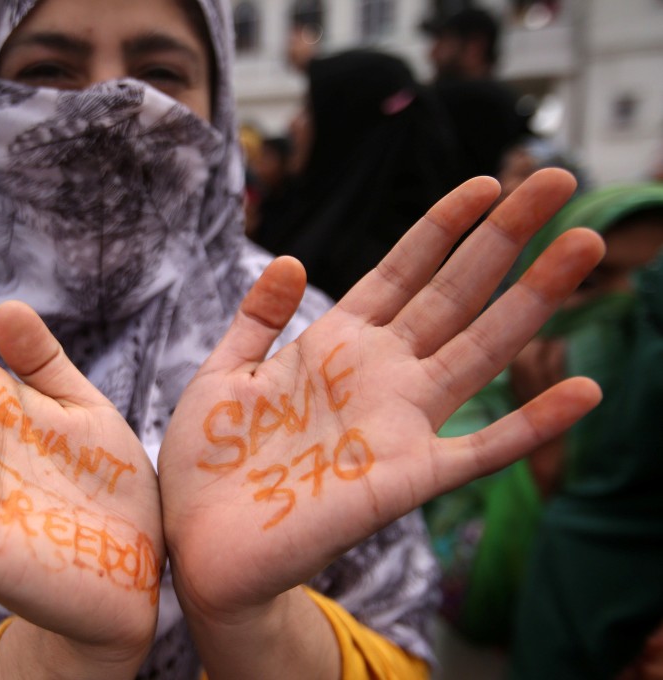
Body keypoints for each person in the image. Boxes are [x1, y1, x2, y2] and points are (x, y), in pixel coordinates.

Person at [0, 1, 604, 679]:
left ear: (220, 107)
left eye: (163, 71)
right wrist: (60, 655)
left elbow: (401, 645)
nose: (111, 101)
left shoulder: (315, 356)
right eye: (49, 67)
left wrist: (255, 624)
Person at [506, 183, 663, 679]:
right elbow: (468, 600)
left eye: (649, 284)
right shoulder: (475, 412)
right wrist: (541, 455)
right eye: (593, 282)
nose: (627, 308)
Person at [256, 49, 458, 300]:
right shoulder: (309, 213)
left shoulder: (374, 264)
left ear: (344, 122)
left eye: (309, 109)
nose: (293, 123)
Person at [420, 7, 531, 186]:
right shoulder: (511, 101)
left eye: (442, 41)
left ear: (475, 46)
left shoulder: (455, 98)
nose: (432, 54)